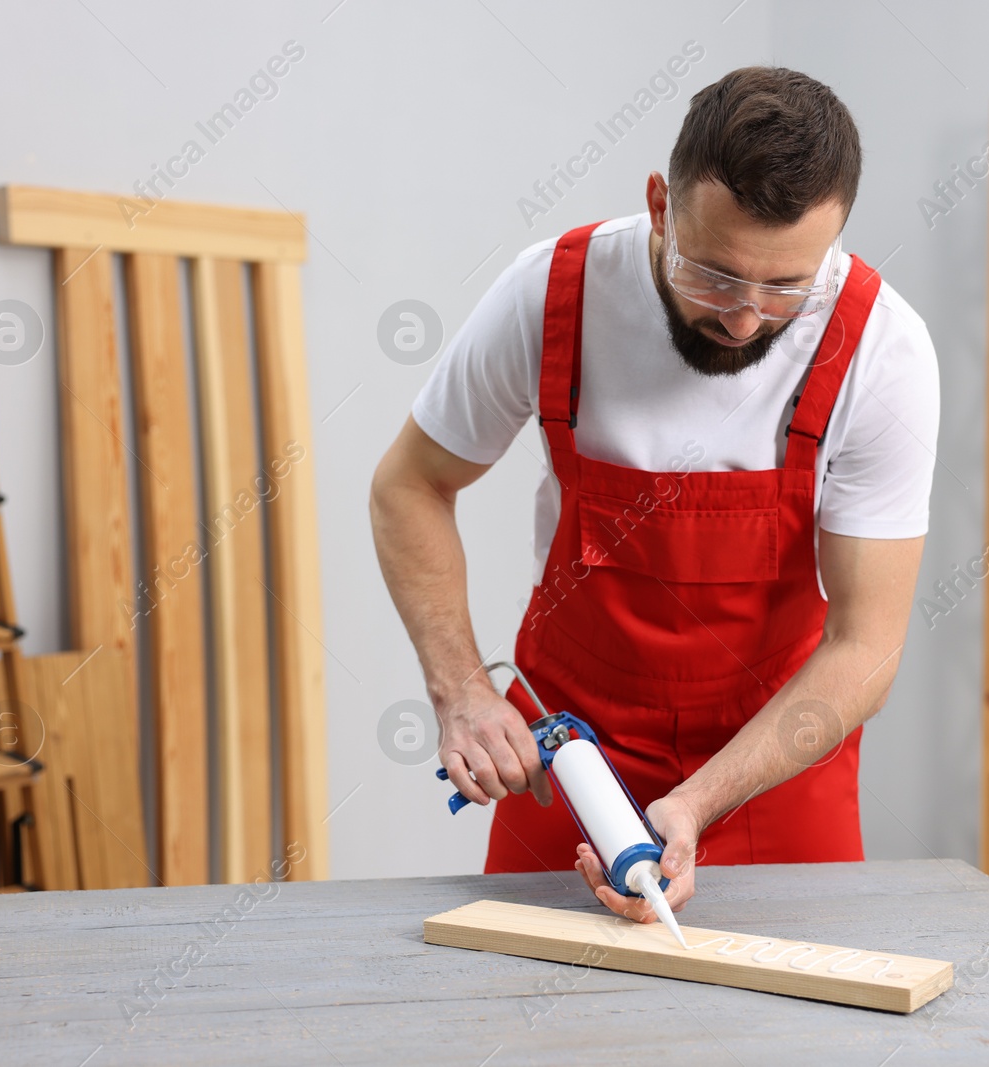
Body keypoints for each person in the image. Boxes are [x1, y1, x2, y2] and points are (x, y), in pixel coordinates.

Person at [371, 66, 937, 928]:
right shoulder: (552, 293)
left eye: (785, 287)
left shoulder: (883, 351)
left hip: (776, 761)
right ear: (660, 207)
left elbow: (867, 646)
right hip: (571, 760)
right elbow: (409, 484)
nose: (745, 318)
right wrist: (460, 690)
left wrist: (696, 803)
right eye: (715, 275)